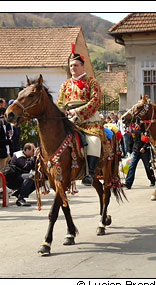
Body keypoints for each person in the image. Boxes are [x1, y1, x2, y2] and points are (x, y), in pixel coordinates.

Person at [56, 42, 103, 186]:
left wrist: (78, 112)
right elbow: (59, 103)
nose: (73, 68)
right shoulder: (65, 84)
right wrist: (60, 114)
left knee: (94, 141)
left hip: (88, 120)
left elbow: (95, 101)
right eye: (71, 66)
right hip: (69, 119)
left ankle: (90, 173)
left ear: (83, 66)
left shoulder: (92, 82)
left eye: (75, 65)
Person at [124, 123, 156, 189]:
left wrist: (144, 147)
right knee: (132, 166)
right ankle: (128, 183)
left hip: (144, 151)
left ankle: (152, 180)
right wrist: (130, 151)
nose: (136, 124)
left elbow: (149, 140)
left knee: (148, 166)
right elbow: (131, 140)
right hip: (135, 151)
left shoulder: (146, 129)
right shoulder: (133, 130)